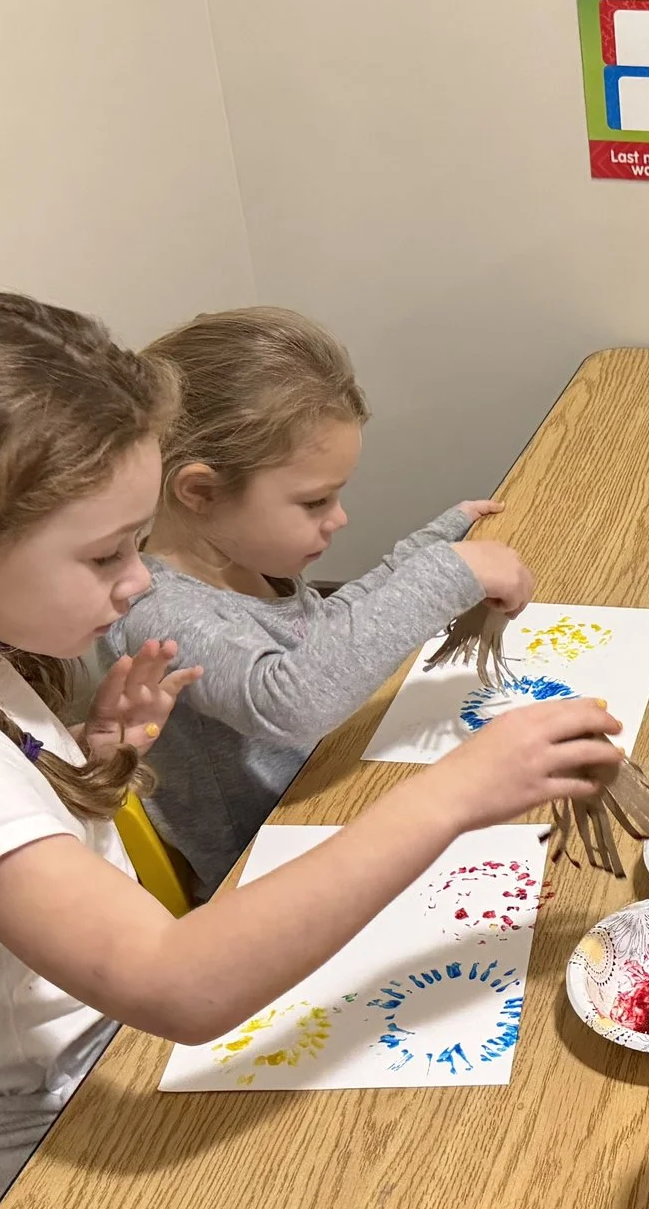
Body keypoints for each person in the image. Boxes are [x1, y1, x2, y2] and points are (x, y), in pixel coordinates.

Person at [0, 292, 620, 1209]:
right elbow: (177, 984)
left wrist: (98, 758)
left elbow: (10, 841)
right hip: (23, 1126)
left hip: (80, 1041)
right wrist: (456, 794)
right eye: (106, 555)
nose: (139, 585)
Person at [104, 307, 533, 891]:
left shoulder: (242, 565)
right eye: (314, 502)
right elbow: (291, 701)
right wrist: (445, 576)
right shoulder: (160, 613)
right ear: (201, 491)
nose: (338, 519)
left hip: (329, 792)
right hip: (262, 874)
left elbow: (326, 631)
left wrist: (435, 543)